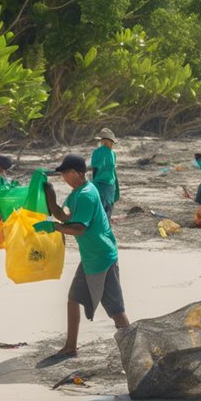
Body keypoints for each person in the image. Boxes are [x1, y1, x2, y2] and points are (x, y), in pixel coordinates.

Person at [35, 154, 130, 360]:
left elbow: (78, 228)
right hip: (90, 256)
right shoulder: (76, 192)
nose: (64, 178)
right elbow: (65, 216)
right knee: (73, 298)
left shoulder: (86, 194)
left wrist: (55, 227)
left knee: (116, 310)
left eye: (67, 173)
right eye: (62, 175)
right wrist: (49, 194)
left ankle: (134, 349)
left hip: (103, 257)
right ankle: (70, 347)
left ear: (78, 173)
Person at [90, 127, 120, 219]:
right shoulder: (104, 153)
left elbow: (94, 168)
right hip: (104, 184)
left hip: (108, 185)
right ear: (107, 141)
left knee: (102, 209)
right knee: (105, 209)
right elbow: (96, 168)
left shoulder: (110, 153)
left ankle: (103, 227)